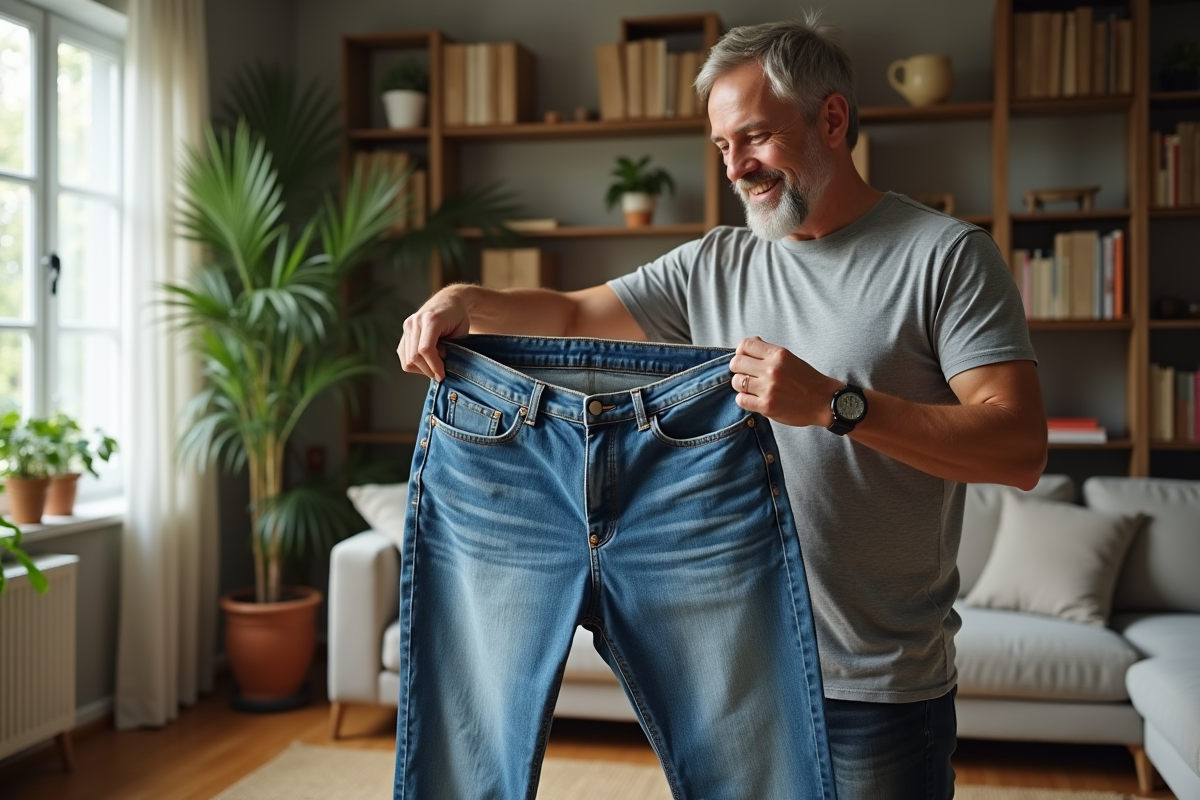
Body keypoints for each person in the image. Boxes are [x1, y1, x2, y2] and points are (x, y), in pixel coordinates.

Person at [399, 12, 1047, 800]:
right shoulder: (717, 261)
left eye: (756, 138)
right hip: (737, 682)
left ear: (832, 119)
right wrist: (469, 299)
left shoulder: (945, 257)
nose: (736, 167)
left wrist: (836, 406)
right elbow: (573, 317)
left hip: (874, 687)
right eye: (721, 147)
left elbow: (1018, 448)